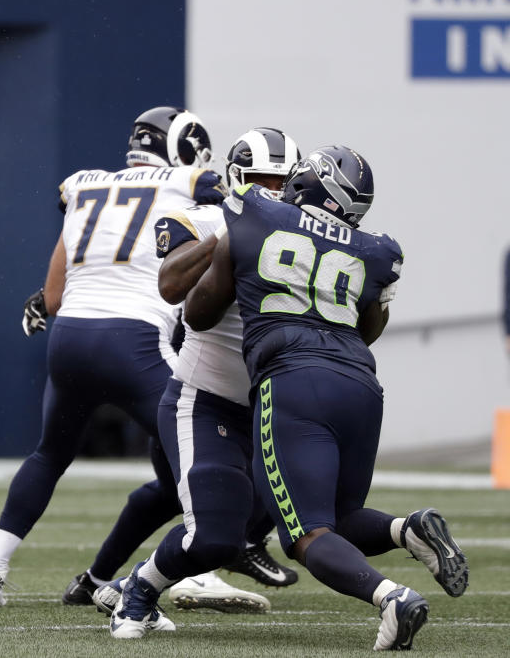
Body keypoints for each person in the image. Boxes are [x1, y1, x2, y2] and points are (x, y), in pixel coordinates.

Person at [114, 145, 469, 650]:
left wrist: (236, 253)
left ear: (303, 181)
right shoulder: (374, 248)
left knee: (304, 534)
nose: (276, 186)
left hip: (286, 385)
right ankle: (406, 531)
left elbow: (198, 312)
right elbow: (367, 329)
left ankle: (391, 597)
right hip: (341, 387)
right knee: (319, 520)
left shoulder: (253, 212)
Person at [0, 107, 226, 607]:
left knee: (49, 453)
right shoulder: (189, 183)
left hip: (69, 339)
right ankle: (199, 568)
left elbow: (53, 296)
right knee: (202, 442)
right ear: (186, 149)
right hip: (134, 340)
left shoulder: (83, 187)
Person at [83, 128, 303, 624]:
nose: (273, 192)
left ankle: (128, 580)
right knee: (208, 525)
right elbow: (172, 284)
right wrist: (231, 235)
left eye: (282, 182)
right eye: (262, 181)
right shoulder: (203, 217)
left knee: (311, 504)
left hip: (274, 398)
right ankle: (151, 578)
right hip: (209, 393)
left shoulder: (305, 231)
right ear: (237, 179)